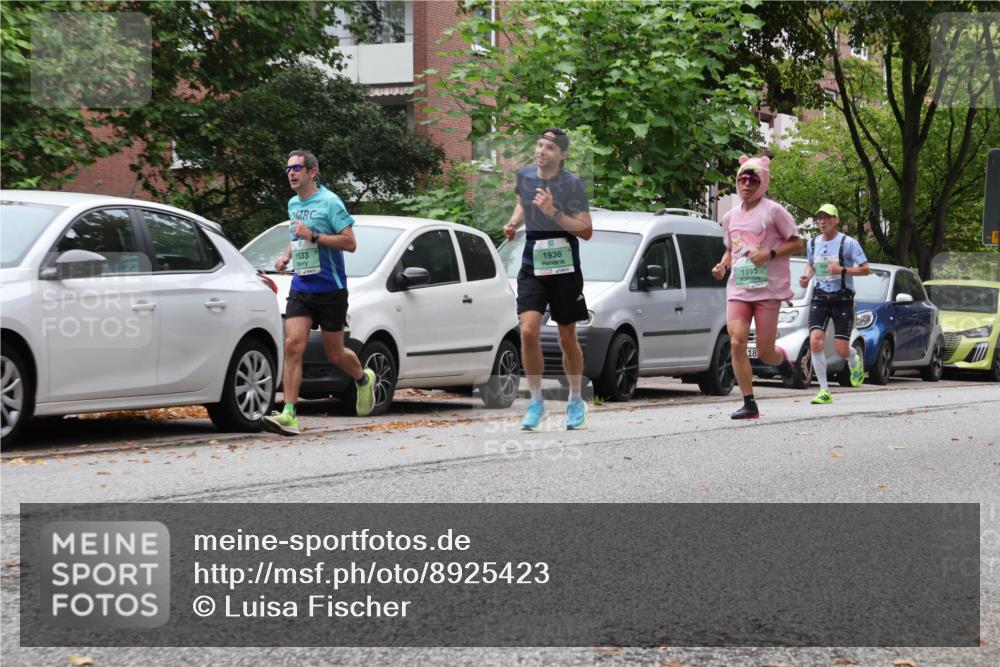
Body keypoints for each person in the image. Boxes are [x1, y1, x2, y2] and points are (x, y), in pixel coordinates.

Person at [262, 149, 375, 436]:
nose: (291, 173)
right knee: (292, 344)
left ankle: (363, 379)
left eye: (296, 168)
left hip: (331, 288)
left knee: (335, 354)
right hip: (302, 286)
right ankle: (289, 413)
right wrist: (286, 256)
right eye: (287, 169)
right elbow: (296, 232)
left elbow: (350, 243)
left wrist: (314, 236)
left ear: (312, 172)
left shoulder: (330, 203)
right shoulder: (292, 203)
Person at [503, 128, 593, 431]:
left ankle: (576, 399)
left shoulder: (572, 185)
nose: (541, 151)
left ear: (562, 155)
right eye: (539, 145)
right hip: (532, 265)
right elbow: (522, 203)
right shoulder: (525, 176)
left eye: (549, 147)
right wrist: (515, 221)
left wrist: (553, 212)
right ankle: (537, 401)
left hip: (565, 267)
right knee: (528, 331)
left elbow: (585, 230)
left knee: (566, 337)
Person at [712, 155, 804, 420]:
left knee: (765, 351)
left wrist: (769, 254)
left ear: (762, 182)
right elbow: (731, 250)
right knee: (737, 341)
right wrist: (722, 266)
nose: (746, 184)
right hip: (739, 289)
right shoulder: (729, 217)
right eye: (742, 179)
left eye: (753, 180)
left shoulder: (774, 211)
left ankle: (782, 361)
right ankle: (749, 403)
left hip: (768, 290)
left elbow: (797, 244)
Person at [799, 204, 869, 403]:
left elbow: (865, 269)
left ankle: (854, 358)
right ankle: (824, 391)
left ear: (836, 220)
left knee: (841, 350)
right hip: (820, 297)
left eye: (827, 218)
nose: (822, 222)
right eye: (819, 218)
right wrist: (806, 276)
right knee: (815, 341)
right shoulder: (812, 243)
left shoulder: (848, 243)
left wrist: (842, 270)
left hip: (842, 299)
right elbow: (811, 264)